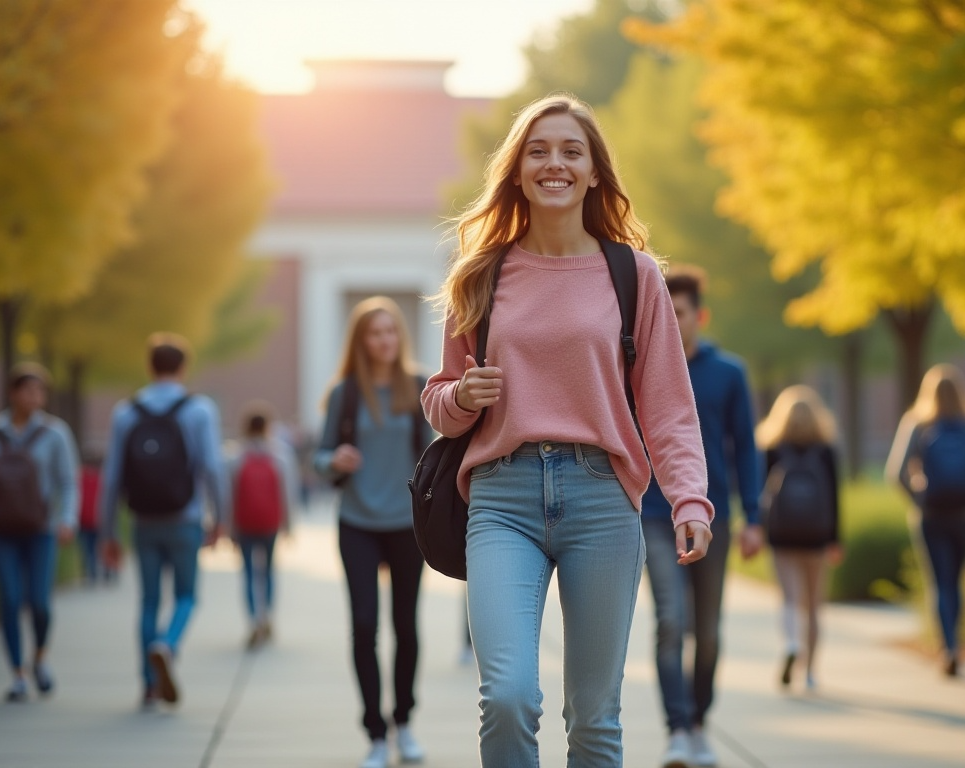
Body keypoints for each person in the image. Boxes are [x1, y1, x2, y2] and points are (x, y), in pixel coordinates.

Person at [421, 93, 714, 768]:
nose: (555, 162)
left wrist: (688, 499)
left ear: (593, 173)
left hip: (601, 499)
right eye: (538, 149)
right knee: (508, 697)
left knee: (593, 717)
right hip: (502, 498)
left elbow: (668, 405)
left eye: (571, 151)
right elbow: (438, 400)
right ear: (517, 171)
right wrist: (463, 394)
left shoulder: (634, 275)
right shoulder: (482, 273)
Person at [641, 265, 762, 768]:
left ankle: (698, 724)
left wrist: (754, 517)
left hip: (713, 516)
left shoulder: (728, 373)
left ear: (699, 316)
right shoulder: (639, 369)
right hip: (652, 514)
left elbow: (746, 449)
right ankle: (676, 728)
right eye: (664, 310)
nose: (672, 319)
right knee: (671, 621)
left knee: (707, 631)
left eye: (681, 311)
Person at [314, 297, 431, 768]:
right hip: (357, 522)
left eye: (391, 331)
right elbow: (319, 457)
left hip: (407, 525)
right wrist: (333, 460)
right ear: (361, 341)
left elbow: (435, 456)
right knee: (365, 626)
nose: (384, 340)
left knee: (407, 626)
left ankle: (404, 723)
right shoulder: (345, 393)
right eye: (374, 333)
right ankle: (375, 733)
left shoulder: (420, 387)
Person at [98, 333, 230, 708]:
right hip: (185, 516)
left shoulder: (126, 411)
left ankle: (148, 685)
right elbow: (212, 467)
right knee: (187, 596)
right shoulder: (199, 410)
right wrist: (220, 517)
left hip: (143, 519)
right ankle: (168, 645)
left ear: (149, 366)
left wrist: (107, 531)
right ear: (183, 367)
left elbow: (111, 476)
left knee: (149, 601)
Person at [0, 362, 80, 702]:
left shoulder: (56, 434)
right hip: (1, 531)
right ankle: (17, 674)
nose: (34, 397)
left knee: (39, 602)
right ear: (12, 393)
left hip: (41, 530)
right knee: (9, 600)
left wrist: (67, 518)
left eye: (40, 391)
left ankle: (40, 656)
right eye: (28, 390)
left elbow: (68, 482)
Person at [885, 364, 965, 677]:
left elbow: (895, 473)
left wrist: (919, 498)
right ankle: (956, 644)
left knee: (940, 583)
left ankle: (947, 647)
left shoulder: (918, 423)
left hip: (931, 515)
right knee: (956, 581)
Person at [756, 385, 842, 694]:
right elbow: (835, 498)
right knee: (814, 604)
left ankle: (792, 643)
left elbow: (760, 495)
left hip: (782, 535)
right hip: (818, 536)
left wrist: (758, 529)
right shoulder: (826, 450)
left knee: (790, 598)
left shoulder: (772, 448)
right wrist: (835, 539)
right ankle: (810, 672)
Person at [227, 402, 299, 649]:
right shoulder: (280, 455)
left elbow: (229, 495)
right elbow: (288, 494)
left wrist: (228, 526)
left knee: (248, 573)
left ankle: (253, 621)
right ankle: (266, 616)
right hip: (270, 523)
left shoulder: (235, 456)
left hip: (244, 524)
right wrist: (289, 526)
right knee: (268, 571)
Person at [77, 452, 106, 585]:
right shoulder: (100, 479)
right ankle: (93, 572)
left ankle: (97, 572)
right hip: (90, 521)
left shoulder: (80, 478)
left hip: (91, 520)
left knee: (92, 548)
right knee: (90, 549)